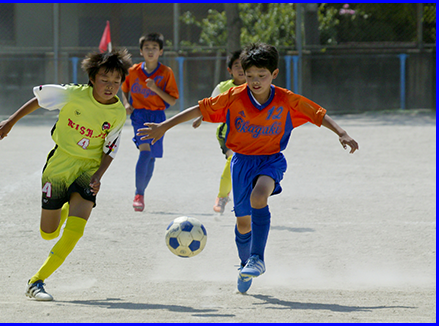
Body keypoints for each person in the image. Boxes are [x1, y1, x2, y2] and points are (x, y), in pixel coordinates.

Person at [137, 43, 359, 294]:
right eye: (250, 75)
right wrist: (164, 127)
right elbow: (201, 108)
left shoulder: (286, 99)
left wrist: (342, 133)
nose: (255, 81)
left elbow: (318, 113)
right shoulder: (234, 97)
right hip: (241, 162)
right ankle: (245, 265)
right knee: (243, 223)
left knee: (259, 195)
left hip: (271, 160)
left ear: (274, 74)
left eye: (262, 76)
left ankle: (257, 258)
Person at [0, 49, 133, 301]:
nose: (110, 86)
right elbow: (40, 100)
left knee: (74, 231)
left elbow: (111, 147)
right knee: (48, 232)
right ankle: (65, 208)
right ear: (92, 78)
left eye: (116, 82)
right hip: (59, 166)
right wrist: (11, 120)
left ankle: (36, 281)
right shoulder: (73, 94)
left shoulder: (118, 113)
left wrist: (98, 176)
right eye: (105, 79)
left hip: (88, 169)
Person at [121, 32, 179, 212]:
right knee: (145, 153)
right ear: (141, 51)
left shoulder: (166, 73)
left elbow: (172, 101)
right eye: (147, 48)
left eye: (154, 48)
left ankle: (142, 192)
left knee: (152, 158)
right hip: (139, 116)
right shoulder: (132, 71)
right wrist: (126, 103)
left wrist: (155, 88)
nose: (151, 51)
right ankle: (138, 194)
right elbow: (123, 89)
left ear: (160, 51)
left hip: (158, 117)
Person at [192, 50, 246, 214]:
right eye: (236, 65)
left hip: (249, 134)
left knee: (244, 166)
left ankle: (245, 201)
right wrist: (201, 117)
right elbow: (210, 105)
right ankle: (222, 197)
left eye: (244, 65)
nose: (241, 68)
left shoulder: (254, 86)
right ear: (230, 70)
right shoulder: (223, 87)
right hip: (227, 133)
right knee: (233, 159)